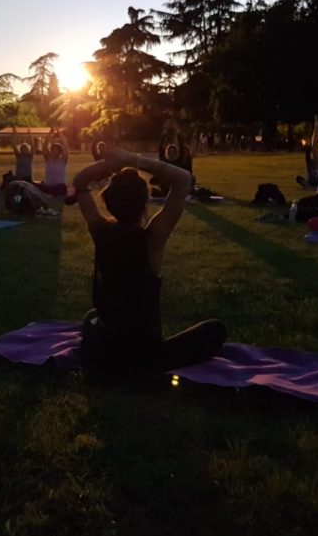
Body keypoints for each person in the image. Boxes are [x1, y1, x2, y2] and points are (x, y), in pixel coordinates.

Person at [73, 146, 227, 371]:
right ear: (144, 204)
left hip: (103, 351)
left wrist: (109, 165)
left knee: (92, 317)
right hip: (144, 357)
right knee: (216, 330)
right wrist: (133, 159)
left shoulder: (99, 230)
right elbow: (183, 179)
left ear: (109, 202)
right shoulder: (151, 240)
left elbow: (79, 181)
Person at [38, 126, 69, 196]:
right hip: (48, 186)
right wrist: (50, 133)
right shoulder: (48, 159)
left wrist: (60, 133)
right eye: (53, 149)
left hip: (59, 187)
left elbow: (66, 146)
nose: (55, 151)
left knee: (61, 188)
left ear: (60, 152)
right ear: (51, 151)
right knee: (35, 185)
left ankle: (51, 193)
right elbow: (44, 146)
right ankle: (49, 193)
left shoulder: (63, 160)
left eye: (57, 150)